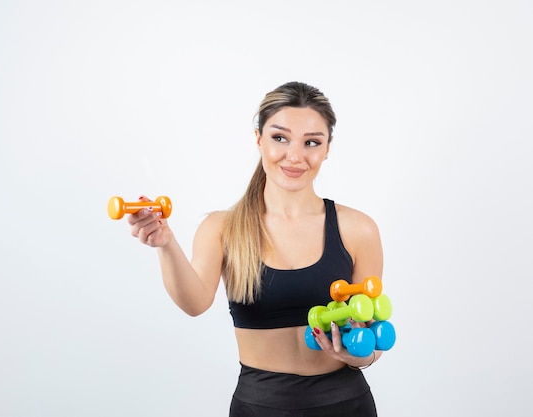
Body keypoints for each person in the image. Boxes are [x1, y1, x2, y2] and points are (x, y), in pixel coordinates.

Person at [128, 81, 384, 416]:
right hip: (260, 406)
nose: (295, 155)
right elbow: (194, 303)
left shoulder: (358, 229)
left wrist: (359, 356)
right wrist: (165, 244)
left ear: (327, 148)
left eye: (311, 142)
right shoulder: (222, 227)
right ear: (258, 138)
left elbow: (372, 337)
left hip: (346, 404)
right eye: (280, 137)